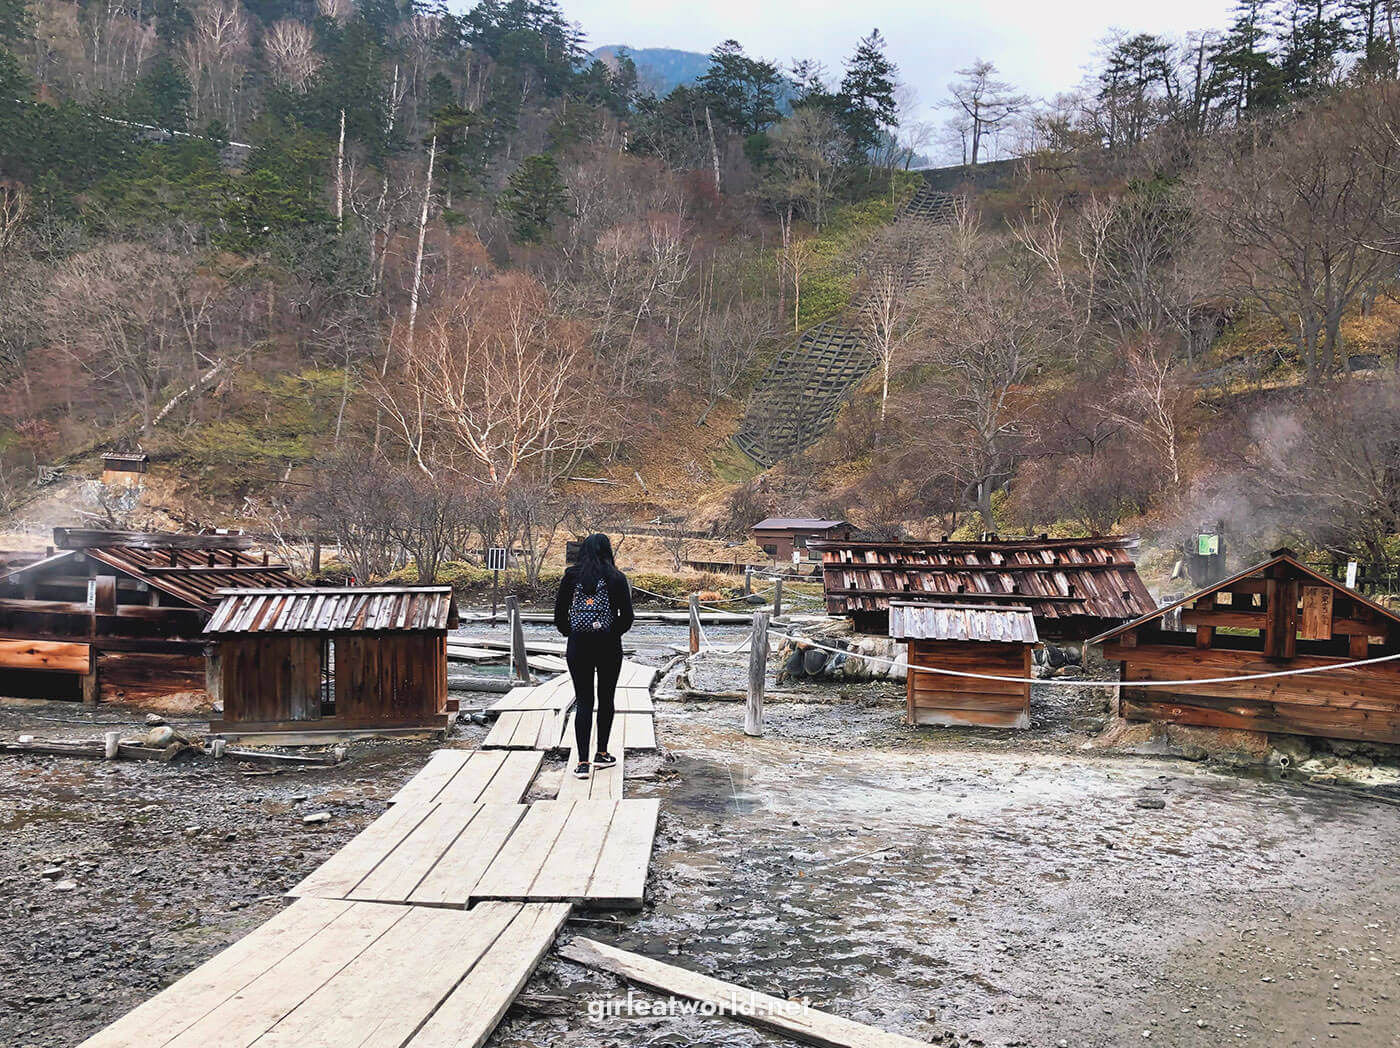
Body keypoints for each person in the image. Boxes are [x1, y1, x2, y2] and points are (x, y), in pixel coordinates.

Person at [553, 533, 634, 779]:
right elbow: (627, 617)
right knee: (606, 698)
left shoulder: (571, 576)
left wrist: (574, 633)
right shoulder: (617, 578)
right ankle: (602, 753)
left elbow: (559, 615)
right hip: (609, 646)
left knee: (584, 700)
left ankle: (582, 762)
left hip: (578, 646)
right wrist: (610, 633)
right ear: (608, 551)